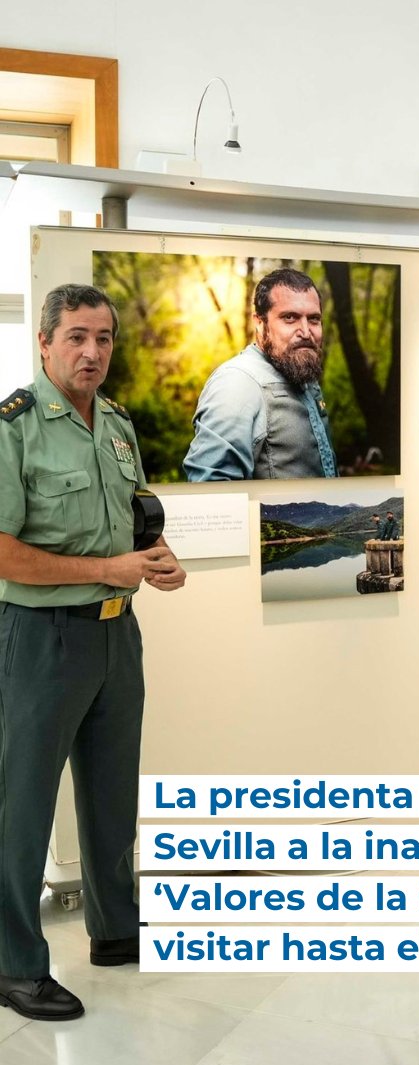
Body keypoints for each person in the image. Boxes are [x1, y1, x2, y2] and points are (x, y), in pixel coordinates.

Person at [0, 284, 187, 1020]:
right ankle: (14, 962)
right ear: (44, 343)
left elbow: (139, 524)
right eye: (77, 336)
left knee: (113, 795)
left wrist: (161, 561)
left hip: (118, 632)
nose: (92, 352)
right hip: (40, 641)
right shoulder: (14, 430)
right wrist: (104, 570)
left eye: (104, 338)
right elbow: (6, 553)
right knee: (22, 806)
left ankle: (116, 929)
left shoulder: (116, 423)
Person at [184, 268, 337, 481]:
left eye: (313, 319)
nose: (305, 331)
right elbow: (212, 491)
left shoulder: (300, 373)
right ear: (259, 322)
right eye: (290, 318)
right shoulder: (237, 382)